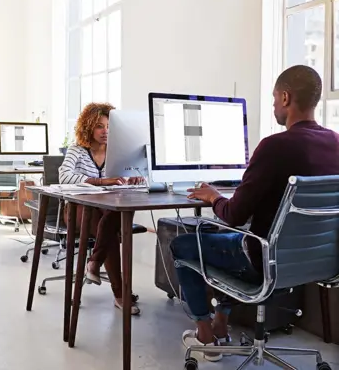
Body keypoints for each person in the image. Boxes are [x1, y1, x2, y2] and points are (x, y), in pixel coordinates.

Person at [171, 65, 339, 362]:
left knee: (183, 243)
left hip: (263, 262)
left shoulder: (274, 146)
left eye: (274, 98)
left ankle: (205, 332)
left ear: (286, 97)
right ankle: (221, 323)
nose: (274, 104)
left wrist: (213, 196)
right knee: (217, 236)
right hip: (315, 264)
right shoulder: (336, 143)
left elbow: (234, 214)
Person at [58, 102, 145, 315]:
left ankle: (95, 262)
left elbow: (133, 176)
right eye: (99, 126)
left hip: (108, 209)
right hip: (78, 209)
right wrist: (101, 182)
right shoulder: (77, 150)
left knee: (119, 211)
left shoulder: (118, 152)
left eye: (108, 127)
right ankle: (120, 294)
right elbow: (64, 176)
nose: (105, 131)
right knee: (108, 232)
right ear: (88, 128)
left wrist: (134, 177)